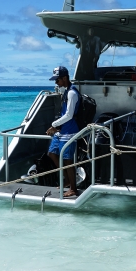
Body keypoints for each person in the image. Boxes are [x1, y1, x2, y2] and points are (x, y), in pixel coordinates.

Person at [46, 66, 80, 198]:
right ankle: (67, 179)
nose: (56, 83)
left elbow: (69, 115)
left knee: (67, 160)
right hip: (62, 130)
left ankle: (73, 188)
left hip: (70, 131)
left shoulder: (72, 93)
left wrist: (54, 125)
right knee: (52, 153)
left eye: (57, 80)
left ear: (64, 78)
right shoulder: (66, 91)